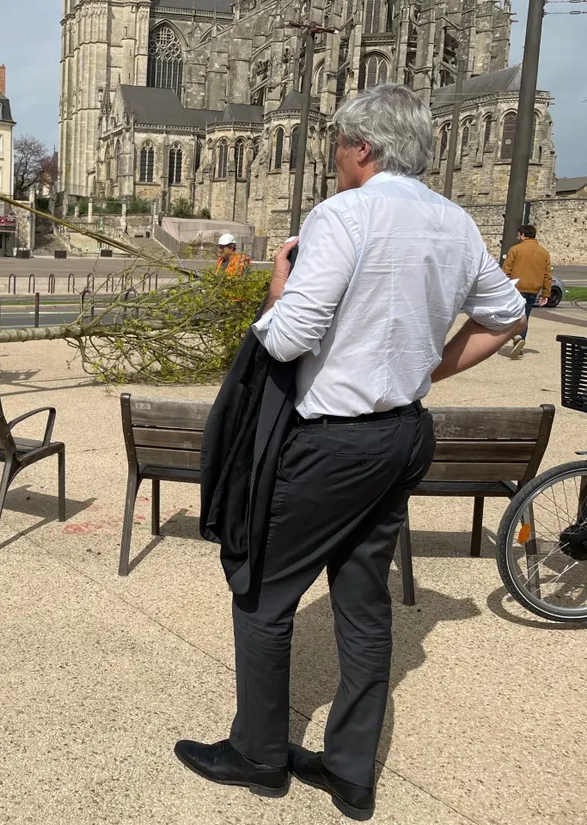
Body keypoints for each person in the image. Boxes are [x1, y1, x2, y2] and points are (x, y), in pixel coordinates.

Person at [174, 85, 526, 821]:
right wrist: (423, 367)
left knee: (263, 594)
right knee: (362, 601)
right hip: (403, 433)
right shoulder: (456, 222)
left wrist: (276, 288)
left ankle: (260, 755)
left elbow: (291, 333)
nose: (334, 159)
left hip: (334, 443)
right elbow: (507, 312)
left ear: (362, 148)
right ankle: (350, 769)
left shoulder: (344, 213)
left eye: (338, 146)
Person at [502, 224, 552, 359]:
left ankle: (516, 337)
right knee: (525, 317)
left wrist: (503, 287)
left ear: (523, 235)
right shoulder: (544, 252)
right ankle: (519, 340)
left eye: (519, 235)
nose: (518, 237)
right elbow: (547, 275)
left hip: (516, 287)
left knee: (509, 315)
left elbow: (506, 270)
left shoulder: (515, 250)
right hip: (533, 289)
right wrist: (546, 293)